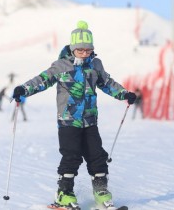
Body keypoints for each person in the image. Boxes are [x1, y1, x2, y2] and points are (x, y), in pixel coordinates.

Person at [11, 21, 137, 210]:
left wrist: (125, 94)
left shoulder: (95, 65)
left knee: (97, 156)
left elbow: (107, 83)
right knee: (71, 156)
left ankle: (101, 193)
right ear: (72, 48)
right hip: (68, 120)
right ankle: (64, 194)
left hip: (90, 120)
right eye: (80, 50)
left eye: (88, 50)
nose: (84, 53)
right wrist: (24, 89)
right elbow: (43, 80)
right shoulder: (61, 66)